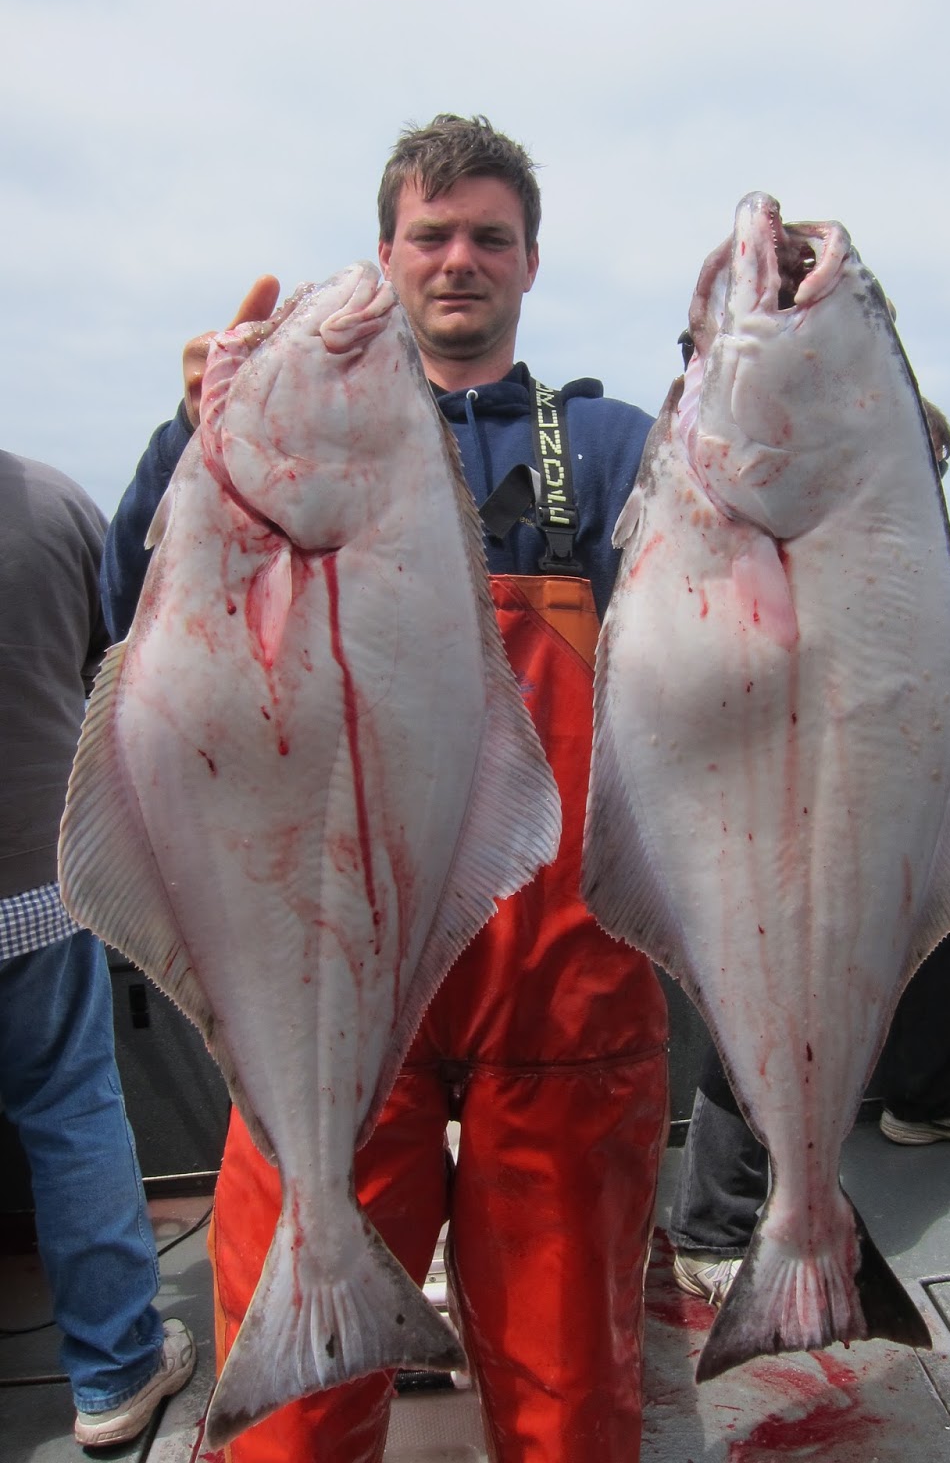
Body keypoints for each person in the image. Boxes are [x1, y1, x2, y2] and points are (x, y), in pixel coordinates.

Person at [99, 114, 669, 1463]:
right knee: (289, 1418)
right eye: (432, 234)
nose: (457, 258)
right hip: (325, 991)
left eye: (489, 236)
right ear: (388, 252)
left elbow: (756, 647)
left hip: (567, 987)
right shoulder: (249, 439)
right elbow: (137, 618)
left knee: (574, 1387)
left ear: (530, 262)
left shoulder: (609, 450)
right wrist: (189, 441)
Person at [668, 388, 950, 1306]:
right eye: (916, 456)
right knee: (759, 990)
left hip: (882, 809)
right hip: (772, 810)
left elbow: (914, 641)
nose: (927, 477)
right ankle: (714, 1225)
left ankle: (929, 1097)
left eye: (938, 465)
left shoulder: (913, 545)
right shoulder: (791, 525)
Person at [0, 448, 195, 1448]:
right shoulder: (51, 504)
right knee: (68, 1112)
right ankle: (115, 1369)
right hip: (30, 888)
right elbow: (113, 651)